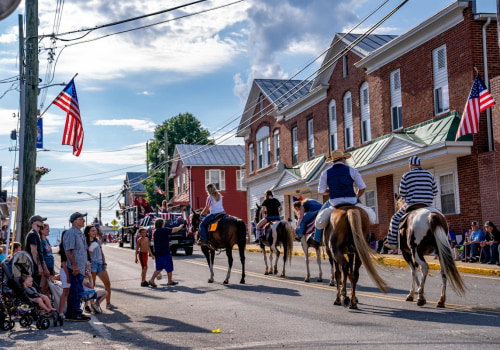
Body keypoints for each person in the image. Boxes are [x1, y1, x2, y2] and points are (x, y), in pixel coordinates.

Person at [314, 150, 366, 249]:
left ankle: (317, 239)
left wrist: (329, 191)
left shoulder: (325, 173)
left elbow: (321, 191)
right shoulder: (352, 170)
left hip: (334, 202)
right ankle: (369, 235)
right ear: (343, 159)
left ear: (333, 161)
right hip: (351, 201)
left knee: (320, 218)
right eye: (345, 158)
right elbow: (362, 187)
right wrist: (357, 197)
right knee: (367, 214)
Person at [387, 156, 437, 250]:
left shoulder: (406, 175)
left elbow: (402, 194)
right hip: (428, 205)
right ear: (420, 164)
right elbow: (435, 191)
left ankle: (392, 243)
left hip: (411, 204)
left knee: (394, 219)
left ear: (410, 165)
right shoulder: (429, 174)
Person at [63, 212, 91, 322]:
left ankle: (75, 312)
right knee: (76, 290)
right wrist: (74, 266)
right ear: (74, 221)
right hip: (75, 267)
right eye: (81, 219)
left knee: (78, 290)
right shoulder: (71, 233)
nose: (83, 221)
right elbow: (68, 251)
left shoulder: (80, 233)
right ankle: (73, 313)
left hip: (80, 266)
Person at [84, 225, 117, 311]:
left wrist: (104, 262)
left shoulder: (98, 241)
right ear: (88, 232)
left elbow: (101, 253)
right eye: (92, 231)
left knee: (108, 283)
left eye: (95, 231)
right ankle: (92, 305)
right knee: (91, 285)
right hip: (92, 265)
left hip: (100, 264)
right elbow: (87, 256)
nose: (94, 232)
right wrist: (91, 249)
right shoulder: (86, 243)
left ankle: (108, 303)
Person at [148, 218, 184, 288]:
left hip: (157, 253)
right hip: (164, 252)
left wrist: (167, 243)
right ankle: (169, 281)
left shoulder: (155, 232)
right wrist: (180, 226)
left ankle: (152, 280)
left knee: (159, 268)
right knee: (169, 267)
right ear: (162, 224)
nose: (164, 224)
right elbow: (174, 229)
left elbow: (160, 242)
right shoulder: (163, 230)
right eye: (163, 223)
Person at [25, 215, 50, 287]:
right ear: (34, 222)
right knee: (35, 287)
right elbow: (34, 252)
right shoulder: (33, 234)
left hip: (35, 266)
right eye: (40, 221)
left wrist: (44, 268)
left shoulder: (36, 234)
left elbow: (40, 254)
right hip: (33, 267)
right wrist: (39, 266)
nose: (42, 222)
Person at [58, 230, 70, 316]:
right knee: (65, 292)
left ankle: (68, 310)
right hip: (66, 271)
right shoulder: (64, 248)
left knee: (70, 292)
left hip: (71, 271)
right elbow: (64, 264)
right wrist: (68, 275)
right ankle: (60, 312)